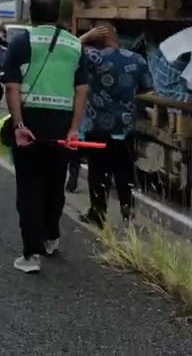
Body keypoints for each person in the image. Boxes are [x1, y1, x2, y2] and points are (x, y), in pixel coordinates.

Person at [0, 0, 89, 273]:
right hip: (62, 122)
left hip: (31, 120)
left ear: (31, 14)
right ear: (58, 15)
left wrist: (18, 124)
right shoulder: (75, 44)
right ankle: (50, 237)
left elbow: (12, 86)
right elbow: (81, 89)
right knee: (54, 182)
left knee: (29, 186)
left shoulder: (22, 41)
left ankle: (30, 256)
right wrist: (75, 128)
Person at [76, 22, 153, 228]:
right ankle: (128, 211)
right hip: (125, 127)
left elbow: (68, 49)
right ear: (115, 37)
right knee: (124, 171)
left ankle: (98, 212)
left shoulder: (92, 56)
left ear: (96, 38)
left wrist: (85, 36)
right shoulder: (137, 60)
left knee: (98, 171)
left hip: (97, 127)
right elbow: (147, 88)